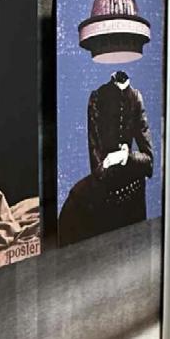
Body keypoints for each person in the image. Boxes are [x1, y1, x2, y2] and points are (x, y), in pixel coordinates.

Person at [58, 70, 153, 244]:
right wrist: (108, 164)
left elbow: (149, 162)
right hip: (105, 185)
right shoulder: (97, 97)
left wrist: (125, 156)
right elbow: (96, 164)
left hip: (134, 189)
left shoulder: (136, 97)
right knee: (72, 210)